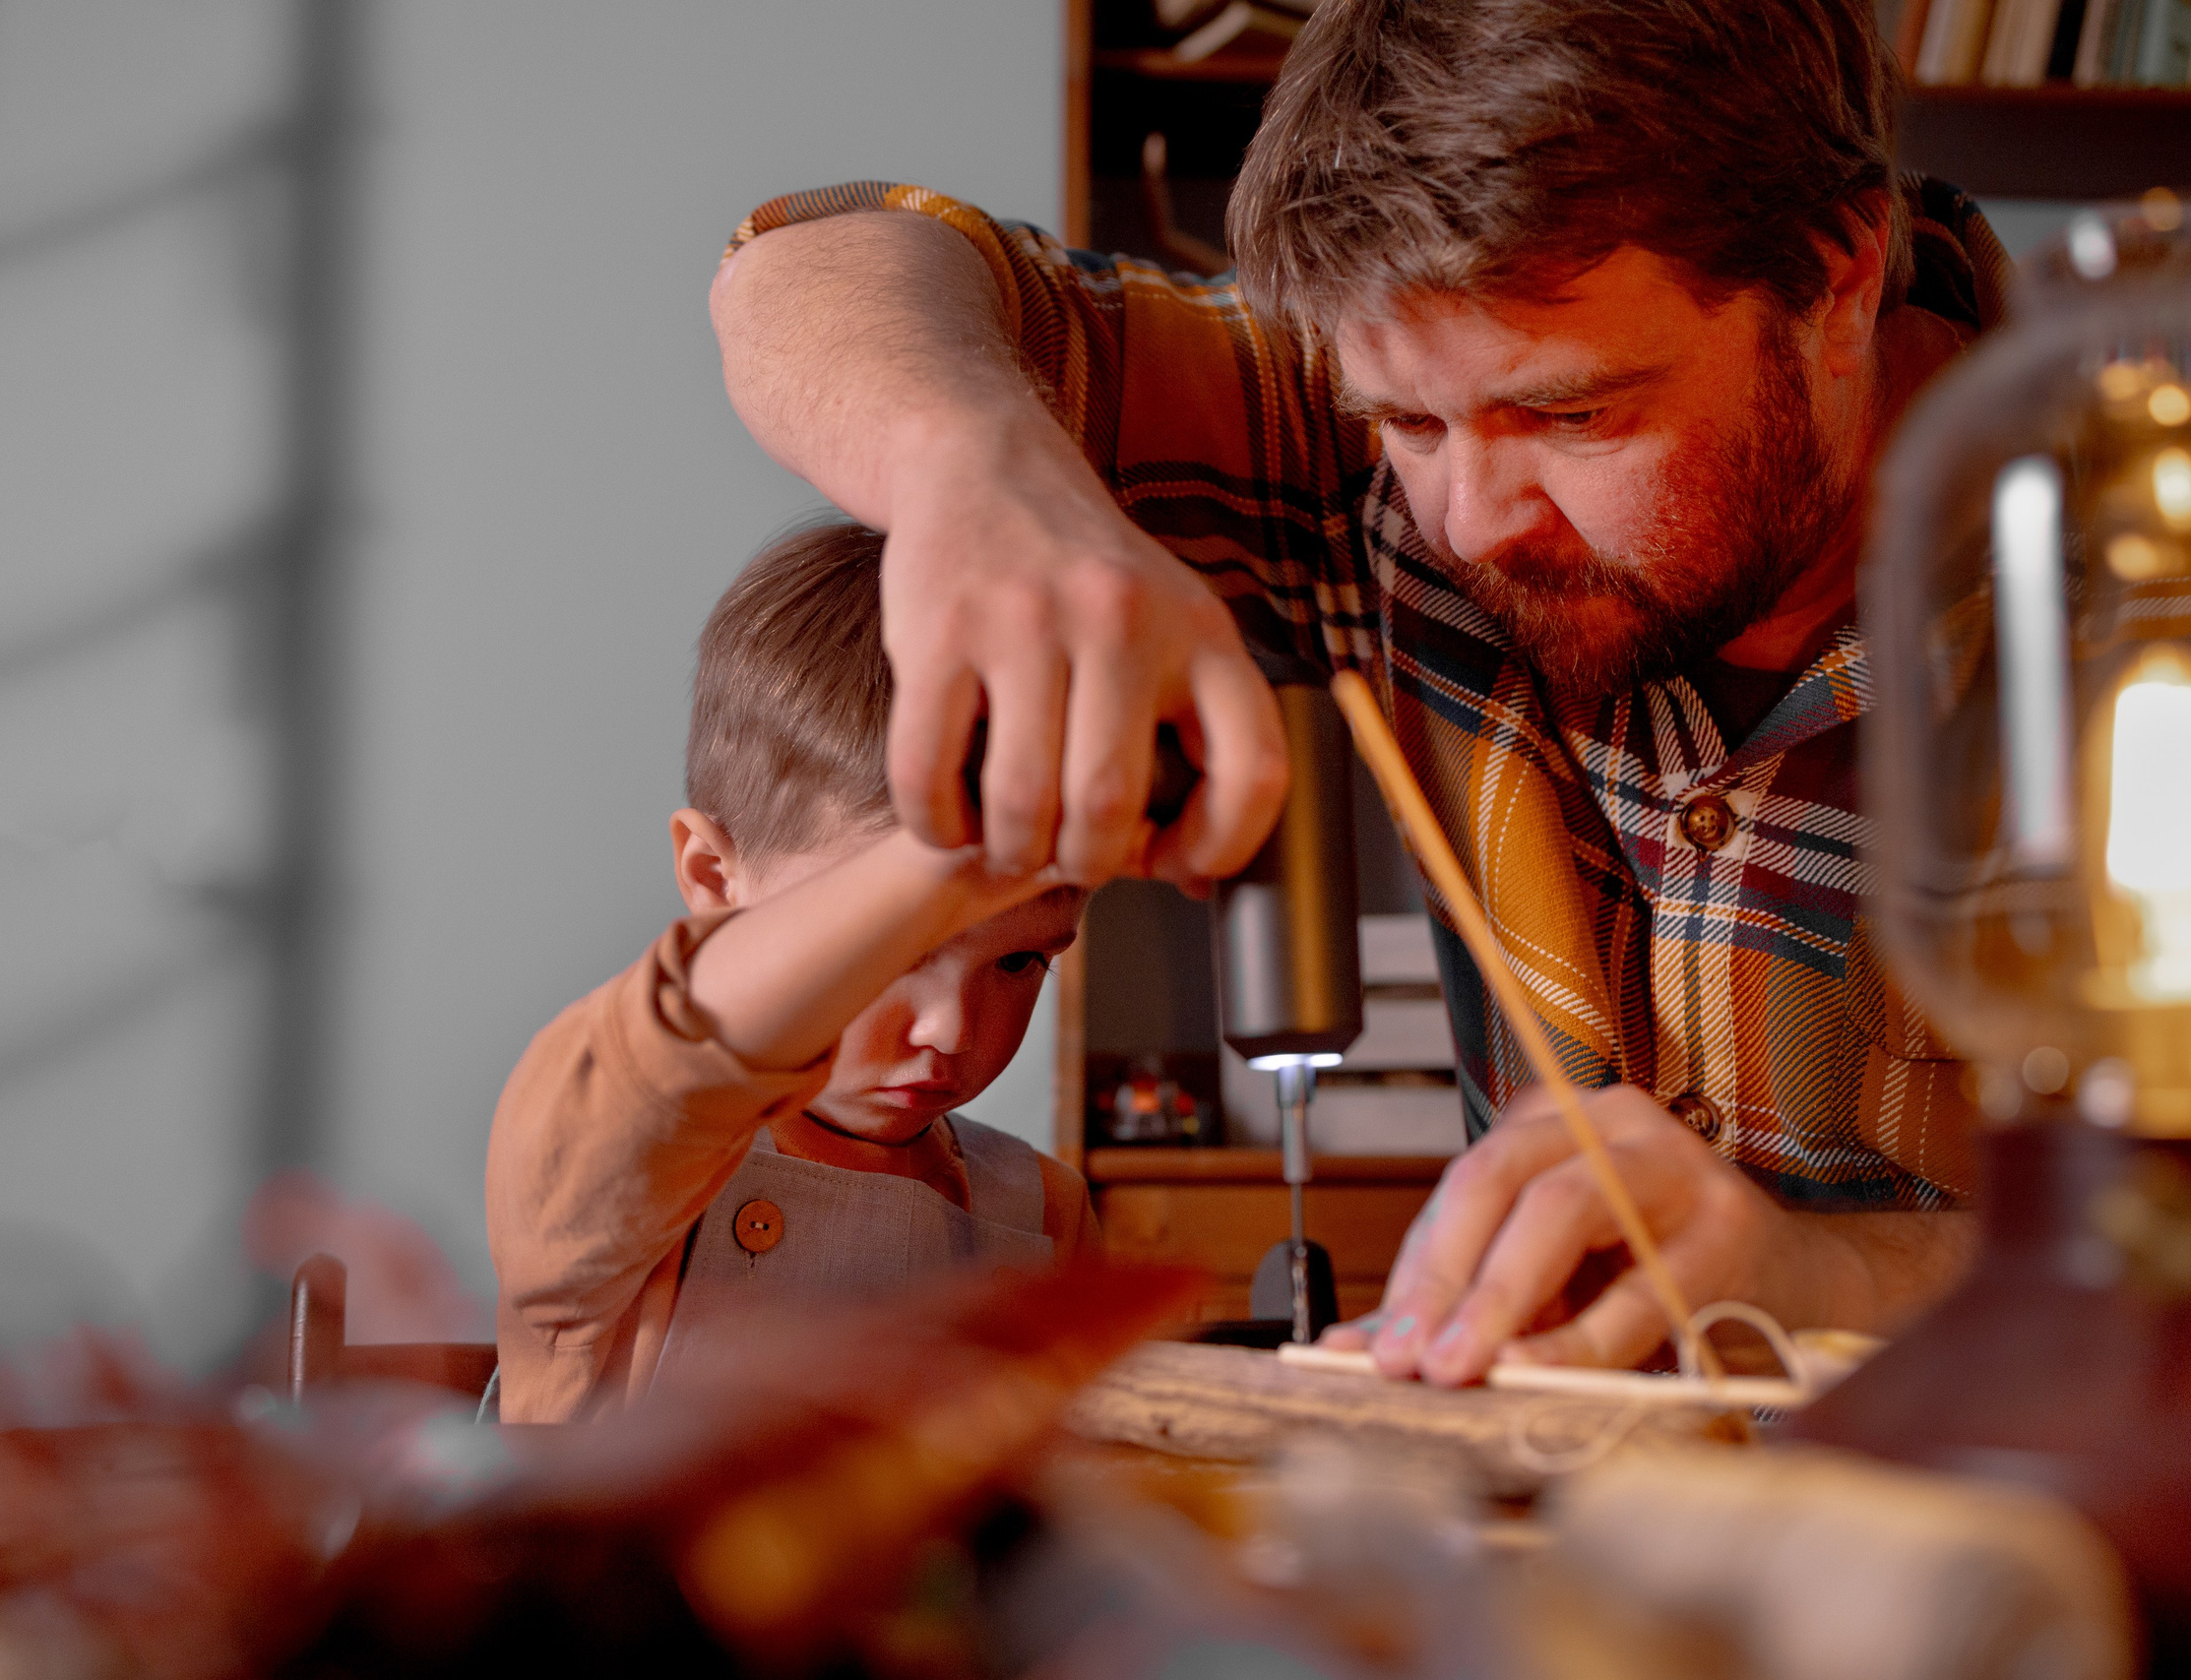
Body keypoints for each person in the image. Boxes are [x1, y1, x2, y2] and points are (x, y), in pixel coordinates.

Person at [707, 0, 2000, 1383]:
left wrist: (1815, 1272)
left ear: (1839, 280)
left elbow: (2185, 1269)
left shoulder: (2151, 597)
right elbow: (806, 256)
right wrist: (981, 476)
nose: (1470, 523)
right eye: (1408, 421)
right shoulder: (1372, 463)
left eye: (1572, 415)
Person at [487, 524, 1095, 1423]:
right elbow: (651, 1065)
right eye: (887, 948)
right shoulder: (628, 1158)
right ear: (712, 878)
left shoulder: (1043, 1211)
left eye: (1017, 959)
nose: (952, 1028)